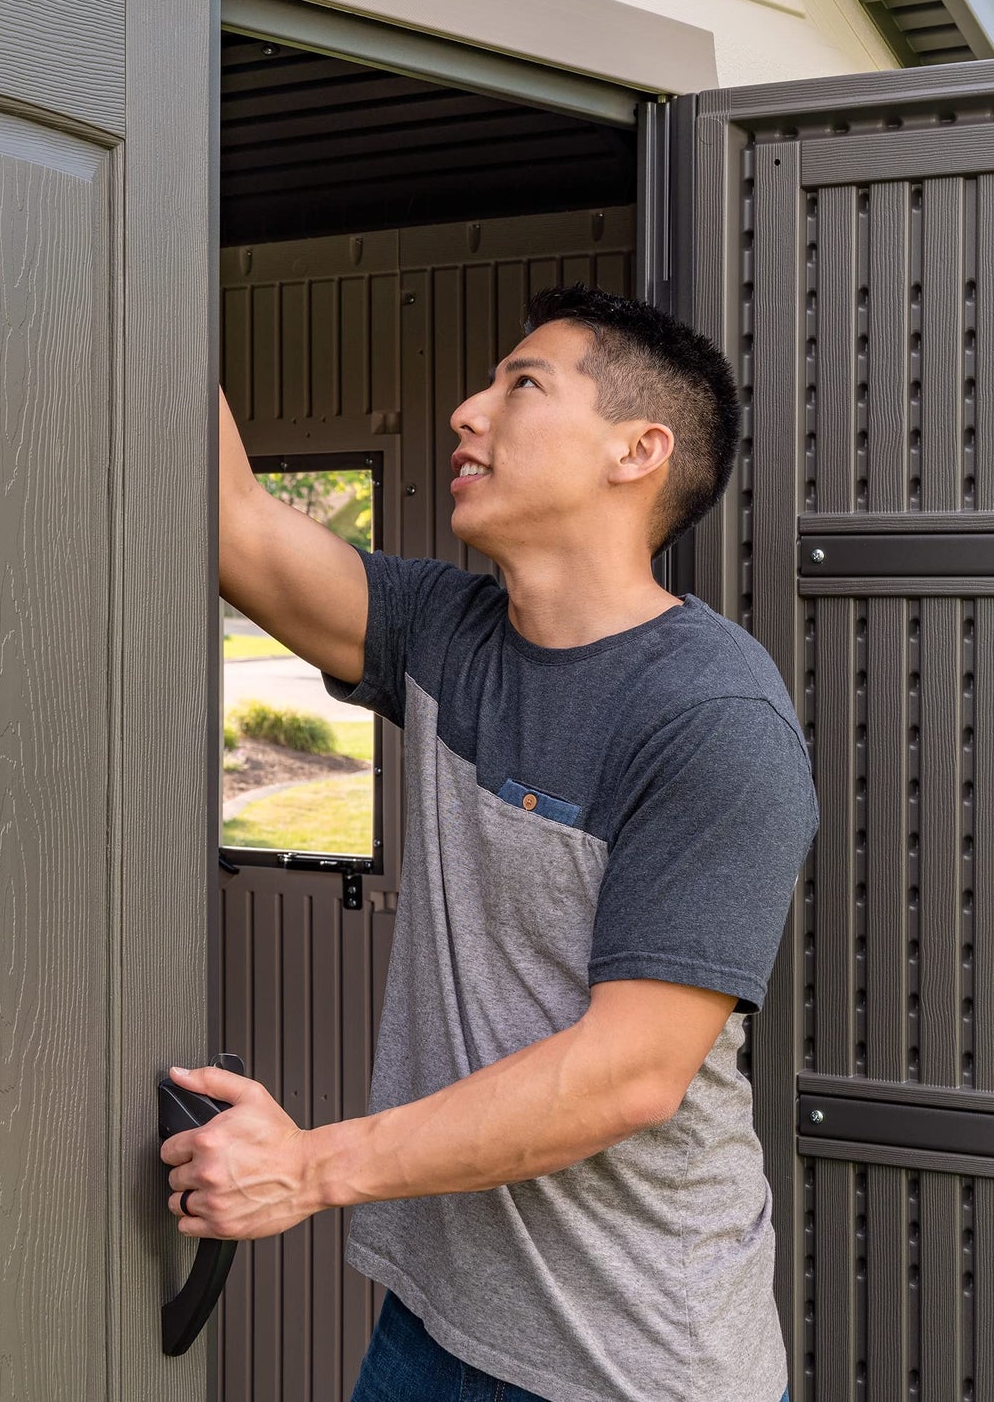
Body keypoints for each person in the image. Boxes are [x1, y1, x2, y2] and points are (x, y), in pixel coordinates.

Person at [161, 284, 816, 1402]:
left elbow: (627, 1073)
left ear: (636, 450)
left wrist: (309, 1166)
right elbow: (234, 524)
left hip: (628, 1360)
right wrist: (141, 241)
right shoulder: (446, 634)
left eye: (520, 385)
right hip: (434, 1320)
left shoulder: (710, 719)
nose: (468, 411)